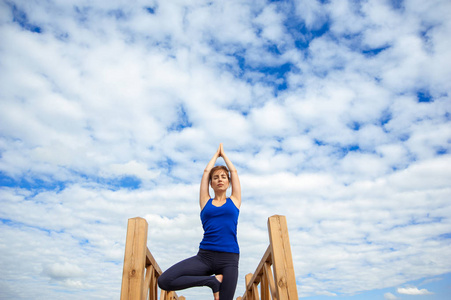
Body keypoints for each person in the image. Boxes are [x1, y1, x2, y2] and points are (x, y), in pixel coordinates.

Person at [158, 143, 241, 300]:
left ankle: (214, 282)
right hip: (205, 257)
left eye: (223, 177)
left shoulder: (234, 201)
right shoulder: (205, 202)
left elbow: (234, 172)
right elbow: (205, 172)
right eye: (216, 178)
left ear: (228, 183)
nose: (220, 180)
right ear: (211, 184)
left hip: (229, 258)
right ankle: (211, 282)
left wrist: (224, 156)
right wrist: (216, 155)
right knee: (164, 281)